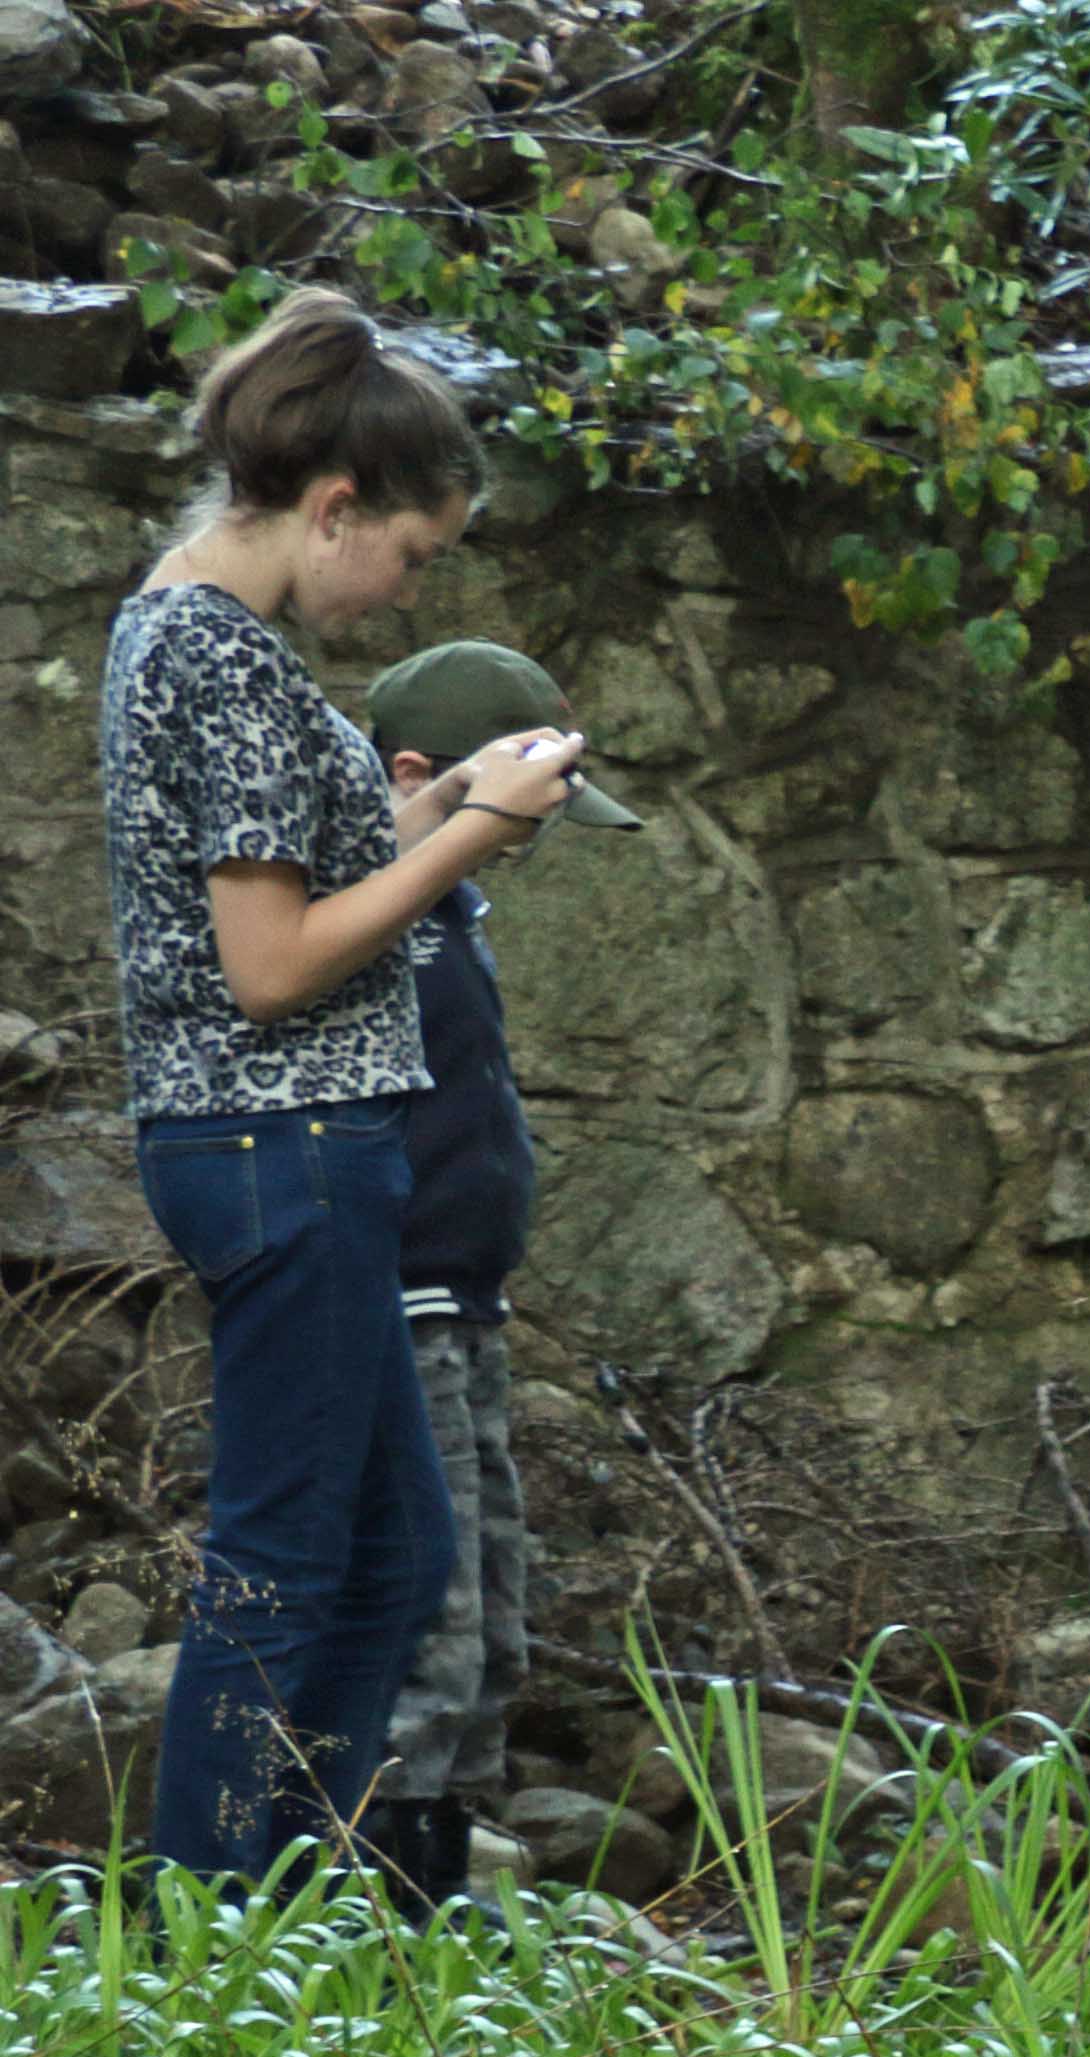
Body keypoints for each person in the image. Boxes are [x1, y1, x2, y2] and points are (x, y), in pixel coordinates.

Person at [100, 292, 583, 1887]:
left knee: (398, 1552)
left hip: (304, 1147)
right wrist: (472, 840)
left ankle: (307, 1895)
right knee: (288, 1559)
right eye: (415, 555)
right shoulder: (223, 662)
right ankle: (206, 1916)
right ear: (332, 507)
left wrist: (436, 802)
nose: (406, 593)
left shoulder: (188, 631)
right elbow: (273, 964)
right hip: (276, 1144)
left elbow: (290, 873)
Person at [359, 638, 642, 1913]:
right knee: (434, 1602)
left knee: (498, 1609)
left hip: (469, 1304)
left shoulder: (453, 911)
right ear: (421, 776)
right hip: (398, 1298)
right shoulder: (369, 909)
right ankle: (394, 1885)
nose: (526, 840)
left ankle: (458, 1848)